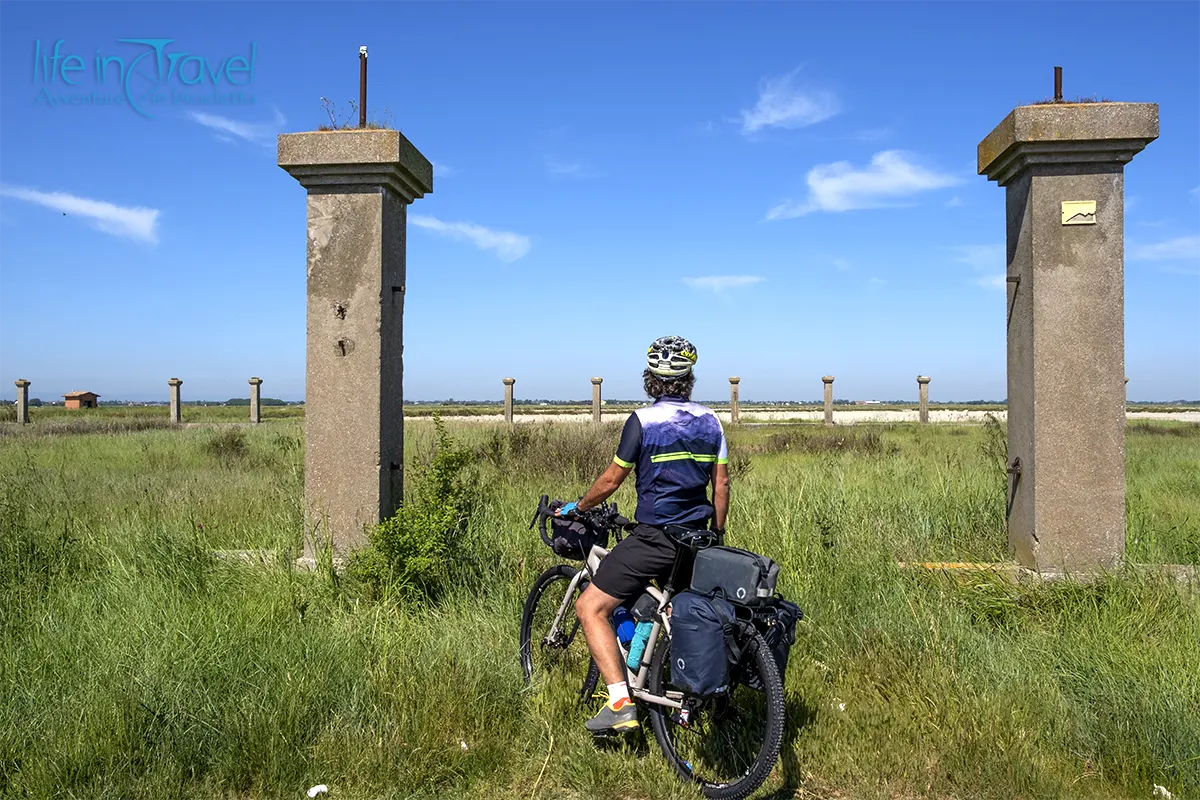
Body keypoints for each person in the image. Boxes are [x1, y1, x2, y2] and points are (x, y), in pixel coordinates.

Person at [556, 335, 730, 734]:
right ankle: (679, 690)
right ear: (689, 379)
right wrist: (715, 535)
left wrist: (579, 507)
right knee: (675, 609)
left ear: (651, 379)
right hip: (697, 538)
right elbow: (721, 487)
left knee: (590, 607)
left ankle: (620, 703)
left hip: (656, 537)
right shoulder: (711, 421)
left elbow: (613, 478)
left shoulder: (643, 421)